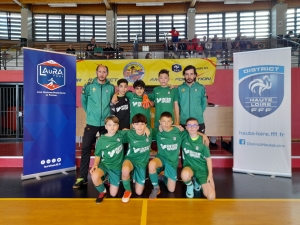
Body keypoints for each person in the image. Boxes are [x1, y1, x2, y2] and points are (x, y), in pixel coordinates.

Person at [148, 112, 209, 200]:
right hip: (161, 159)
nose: (166, 124)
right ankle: (156, 187)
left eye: (168, 121)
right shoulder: (157, 132)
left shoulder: (178, 131)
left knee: (171, 190)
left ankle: (164, 175)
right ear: (160, 122)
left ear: (172, 122)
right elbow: (144, 129)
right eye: (164, 121)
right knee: (151, 164)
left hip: (172, 163)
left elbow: (191, 131)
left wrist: (203, 135)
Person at [73, 65, 115, 189]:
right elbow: (83, 101)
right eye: (100, 71)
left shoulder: (111, 87)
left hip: (106, 125)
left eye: (104, 72)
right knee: (85, 148)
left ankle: (105, 175)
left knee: (106, 151)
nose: (102, 74)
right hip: (91, 123)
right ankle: (82, 178)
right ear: (96, 72)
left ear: (107, 73)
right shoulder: (89, 86)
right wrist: (90, 113)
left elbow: (112, 103)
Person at [90, 116, 125, 203]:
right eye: (109, 125)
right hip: (105, 165)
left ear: (118, 126)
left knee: (113, 194)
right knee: (94, 176)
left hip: (116, 167)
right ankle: (103, 191)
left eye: (114, 125)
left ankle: (109, 178)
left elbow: (134, 132)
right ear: (105, 126)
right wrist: (95, 164)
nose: (112, 127)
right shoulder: (101, 139)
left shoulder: (121, 135)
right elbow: (97, 154)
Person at [181, 117, 216, 200]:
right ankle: (190, 185)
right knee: (185, 175)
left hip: (202, 171)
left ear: (198, 127)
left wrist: (210, 175)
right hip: (189, 168)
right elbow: (170, 128)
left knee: (211, 197)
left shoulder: (203, 141)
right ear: (186, 127)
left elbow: (208, 159)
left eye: (194, 125)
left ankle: (197, 181)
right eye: (189, 125)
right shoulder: (184, 136)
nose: (192, 127)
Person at [121, 113, 152, 203]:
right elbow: (115, 133)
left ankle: (135, 174)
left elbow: (165, 128)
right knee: (125, 170)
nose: (139, 126)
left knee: (139, 192)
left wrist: (178, 127)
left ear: (146, 125)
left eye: (142, 124)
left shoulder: (150, 132)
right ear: (133, 125)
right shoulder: (129, 133)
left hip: (142, 163)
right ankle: (127, 191)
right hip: (131, 159)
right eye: (137, 124)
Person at [177, 65, 207, 134]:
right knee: (184, 143)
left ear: (195, 75)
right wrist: (183, 113)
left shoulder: (201, 88)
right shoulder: (179, 88)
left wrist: (197, 112)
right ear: (184, 75)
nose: (189, 77)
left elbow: (204, 103)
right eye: (187, 74)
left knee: (199, 142)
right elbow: (177, 104)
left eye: (191, 74)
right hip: (184, 121)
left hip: (198, 121)